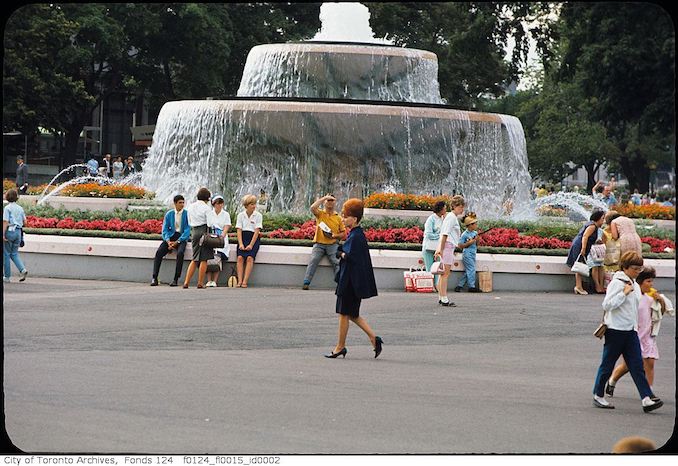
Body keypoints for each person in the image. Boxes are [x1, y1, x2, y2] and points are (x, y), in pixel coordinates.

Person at [591, 251, 663, 413]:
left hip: (631, 331)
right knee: (608, 365)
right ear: (625, 267)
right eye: (635, 268)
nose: (638, 271)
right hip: (616, 330)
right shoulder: (617, 283)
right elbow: (607, 305)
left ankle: (646, 398)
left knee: (637, 365)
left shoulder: (635, 285)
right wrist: (623, 294)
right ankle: (598, 394)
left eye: (640, 268)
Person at [325, 198, 382, 359]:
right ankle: (373, 338)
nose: (343, 219)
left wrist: (340, 252)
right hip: (353, 281)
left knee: (344, 314)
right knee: (352, 314)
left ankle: (340, 347)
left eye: (345, 216)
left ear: (354, 219)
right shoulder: (357, 235)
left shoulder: (356, 236)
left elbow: (348, 256)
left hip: (349, 281)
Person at [604, 267, 672, 399]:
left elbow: (660, 313)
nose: (651, 284)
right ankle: (612, 380)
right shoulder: (634, 296)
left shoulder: (651, 298)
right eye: (648, 281)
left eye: (652, 281)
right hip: (634, 334)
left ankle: (649, 392)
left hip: (648, 335)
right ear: (640, 282)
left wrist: (661, 301)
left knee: (650, 362)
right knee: (628, 365)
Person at [302, 194, 346, 290]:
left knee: (336, 262)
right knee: (313, 260)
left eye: (332, 200)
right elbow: (313, 207)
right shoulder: (320, 214)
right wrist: (324, 198)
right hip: (319, 244)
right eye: (328, 200)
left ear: (335, 202)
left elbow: (343, 234)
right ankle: (306, 282)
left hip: (333, 244)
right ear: (325, 202)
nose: (330, 202)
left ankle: (340, 284)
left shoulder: (338, 218)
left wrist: (335, 235)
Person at [151, 194, 190, 287]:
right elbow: (164, 230)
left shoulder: (187, 214)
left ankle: (176, 279)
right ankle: (154, 277)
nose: (182, 204)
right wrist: (168, 241)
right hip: (171, 237)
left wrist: (177, 242)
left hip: (181, 238)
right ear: (175, 204)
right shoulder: (169, 214)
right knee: (159, 252)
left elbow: (187, 230)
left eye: (183, 202)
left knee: (180, 253)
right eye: (180, 203)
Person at [434, 195, 465, 307]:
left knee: (443, 274)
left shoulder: (450, 217)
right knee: (445, 274)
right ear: (455, 206)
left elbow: (444, 234)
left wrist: (439, 248)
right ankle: (444, 298)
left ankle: (441, 297)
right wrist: (441, 249)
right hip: (447, 247)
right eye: (460, 207)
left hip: (446, 247)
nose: (462, 210)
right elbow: (445, 234)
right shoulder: (452, 217)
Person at [566, 210, 606, 295]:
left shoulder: (593, 226)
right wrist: (583, 248)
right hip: (579, 245)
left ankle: (579, 286)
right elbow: (585, 236)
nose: (603, 221)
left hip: (580, 245)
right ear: (597, 219)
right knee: (579, 264)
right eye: (602, 219)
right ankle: (578, 286)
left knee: (580, 264)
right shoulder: (592, 226)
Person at [182, 187, 213, 289]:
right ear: (207, 198)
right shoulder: (207, 208)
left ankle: (186, 282)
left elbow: (189, 221)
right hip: (203, 231)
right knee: (204, 258)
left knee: (195, 258)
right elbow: (210, 223)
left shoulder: (190, 207)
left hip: (194, 231)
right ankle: (200, 282)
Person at [235, 194, 263, 288]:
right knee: (240, 258)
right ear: (246, 205)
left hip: (253, 238)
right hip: (243, 237)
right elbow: (238, 230)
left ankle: (245, 281)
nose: (254, 206)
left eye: (255, 204)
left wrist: (251, 245)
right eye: (251, 204)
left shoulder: (258, 215)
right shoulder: (240, 215)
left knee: (250, 258)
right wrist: (241, 243)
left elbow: (257, 231)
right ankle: (239, 280)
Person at [205, 194, 232, 287]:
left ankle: (215, 281)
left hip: (221, 238)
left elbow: (226, 226)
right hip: (210, 238)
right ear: (213, 204)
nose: (220, 205)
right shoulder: (209, 213)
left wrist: (221, 237)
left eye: (221, 203)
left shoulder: (226, 214)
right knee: (209, 258)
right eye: (217, 203)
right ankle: (209, 280)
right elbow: (208, 226)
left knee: (218, 258)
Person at [3, 188, 28, 283]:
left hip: (10, 231)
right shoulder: (20, 208)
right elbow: (25, 222)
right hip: (18, 232)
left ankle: (7, 277)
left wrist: (3, 234)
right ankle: (23, 269)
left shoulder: (7, 208)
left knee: (6, 254)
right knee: (14, 253)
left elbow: (5, 221)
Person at [421, 200, 446, 290]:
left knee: (438, 268)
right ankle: (430, 286)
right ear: (440, 209)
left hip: (438, 247)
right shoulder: (431, 219)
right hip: (428, 247)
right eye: (444, 208)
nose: (446, 210)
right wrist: (439, 236)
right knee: (430, 267)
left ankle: (437, 285)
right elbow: (428, 234)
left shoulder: (443, 219)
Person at [455, 213, 480, 292]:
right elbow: (460, 245)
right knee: (471, 269)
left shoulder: (475, 233)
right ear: (470, 225)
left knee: (468, 270)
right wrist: (469, 242)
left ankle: (459, 285)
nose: (476, 225)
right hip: (467, 254)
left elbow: (477, 244)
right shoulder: (464, 235)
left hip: (473, 253)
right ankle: (471, 286)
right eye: (475, 224)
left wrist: (477, 239)